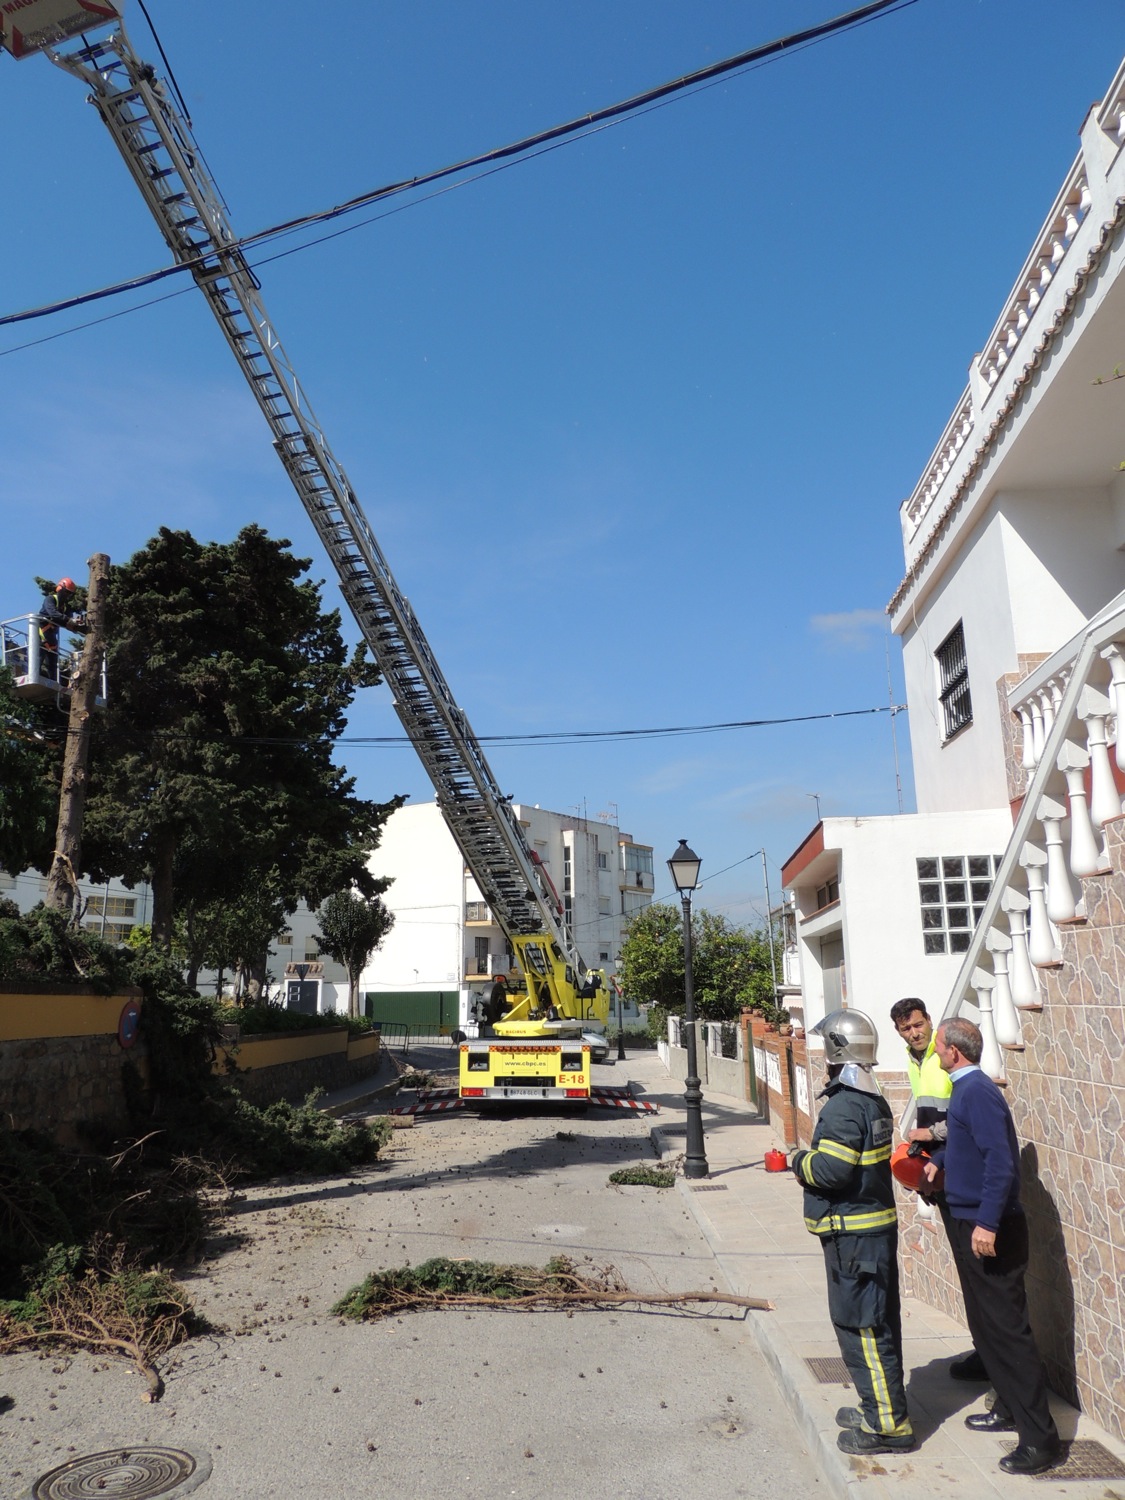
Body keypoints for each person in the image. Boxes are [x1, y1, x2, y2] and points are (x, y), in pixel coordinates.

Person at [925, 1018, 1061, 1476]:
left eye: (939, 1045)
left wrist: (986, 1223)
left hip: (990, 1230)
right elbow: (972, 1146)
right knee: (986, 1325)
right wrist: (940, 1160)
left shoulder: (977, 1091)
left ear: (954, 1053)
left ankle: (1041, 1441)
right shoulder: (966, 1090)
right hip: (970, 1222)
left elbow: (1001, 1162)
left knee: (1007, 1331)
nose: (935, 1051)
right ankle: (1007, 1407)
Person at [791, 1008, 914, 1456]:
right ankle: (877, 1407)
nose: (821, 1055)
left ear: (839, 1053)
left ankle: (888, 1427)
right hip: (872, 1233)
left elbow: (829, 1171)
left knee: (862, 1328)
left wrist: (795, 1160)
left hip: (854, 1240)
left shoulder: (845, 1105)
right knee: (879, 1324)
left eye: (826, 1048)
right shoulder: (873, 1098)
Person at [890, 995, 987, 1383]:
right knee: (969, 1272)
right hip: (942, 1173)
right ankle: (985, 1352)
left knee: (980, 1274)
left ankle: (992, 1357)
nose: (914, 1033)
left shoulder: (946, 1054)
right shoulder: (916, 1060)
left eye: (917, 1025)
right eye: (905, 1029)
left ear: (929, 1021)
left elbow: (963, 1119)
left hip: (963, 1175)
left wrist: (931, 1134)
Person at [36, 576, 86, 683]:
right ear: (60, 589)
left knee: (53, 663)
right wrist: (69, 620)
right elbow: (53, 614)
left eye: (70, 594)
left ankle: (53, 685)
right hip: (41, 633)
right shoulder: (50, 599)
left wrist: (77, 625)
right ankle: (36, 678)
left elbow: (68, 621)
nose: (67, 595)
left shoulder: (64, 607)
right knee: (38, 658)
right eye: (67, 592)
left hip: (51, 636)